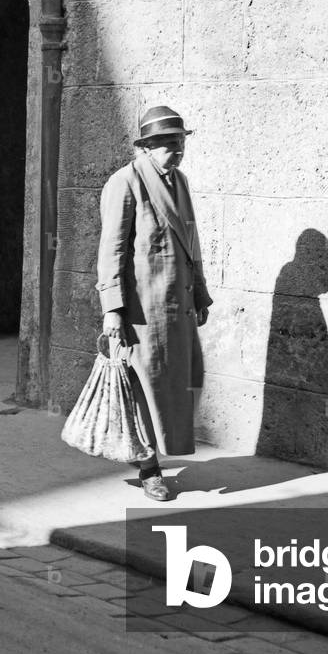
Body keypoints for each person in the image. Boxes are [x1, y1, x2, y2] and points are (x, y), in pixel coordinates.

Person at [96, 106, 212, 501]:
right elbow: (111, 250)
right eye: (167, 144)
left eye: (180, 143)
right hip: (141, 311)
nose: (176, 151)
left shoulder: (180, 182)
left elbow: (190, 243)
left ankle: (159, 452)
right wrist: (112, 308)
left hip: (175, 309)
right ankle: (149, 469)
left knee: (180, 384)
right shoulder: (125, 183)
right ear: (145, 147)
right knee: (142, 389)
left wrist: (199, 292)